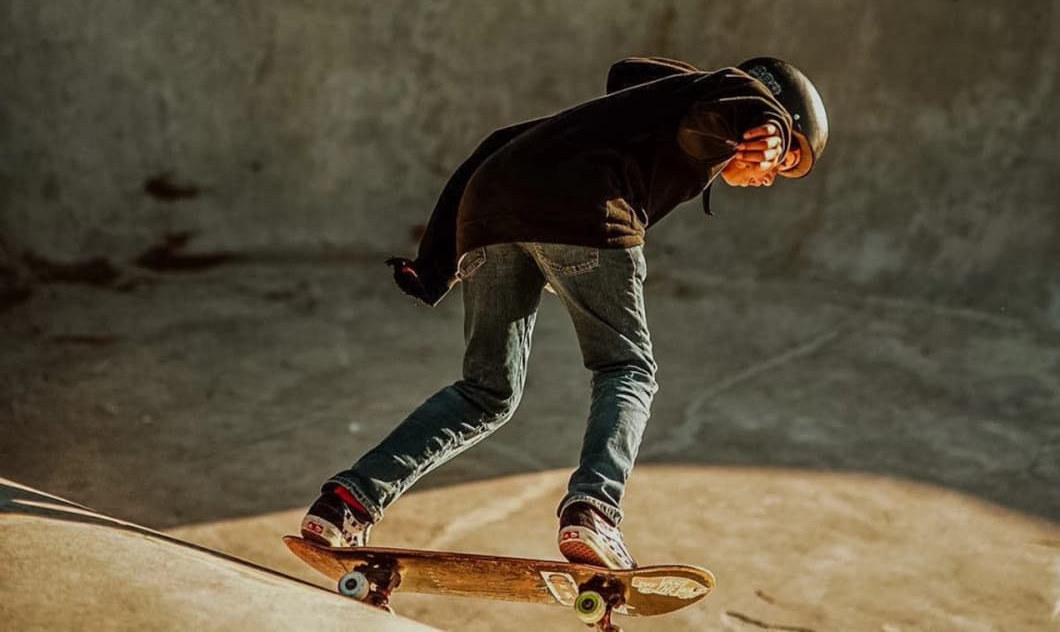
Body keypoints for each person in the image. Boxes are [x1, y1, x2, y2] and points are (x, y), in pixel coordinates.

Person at [300, 56, 828, 568]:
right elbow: (732, 102)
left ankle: (347, 503)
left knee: (486, 391)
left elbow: (629, 75)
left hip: (489, 206)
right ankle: (595, 510)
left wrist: (751, 126)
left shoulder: (668, 108)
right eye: (784, 162)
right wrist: (770, 123)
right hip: (585, 209)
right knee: (626, 368)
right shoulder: (729, 102)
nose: (770, 176)